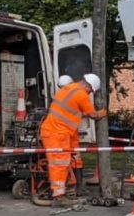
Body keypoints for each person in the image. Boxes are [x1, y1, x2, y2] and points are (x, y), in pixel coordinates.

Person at [40, 73, 107, 208]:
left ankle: (61, 191)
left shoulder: (68, 88)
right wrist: (104, 112)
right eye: (91, 91)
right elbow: (92, 114)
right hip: (58, 134)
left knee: (60, 164)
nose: (89, 94)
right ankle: (58, 196)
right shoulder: (81, 95)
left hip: (53, 131)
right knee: (59, 164)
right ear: (88, 86)